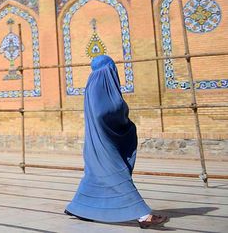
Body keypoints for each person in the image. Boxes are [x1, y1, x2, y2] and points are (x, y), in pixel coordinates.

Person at [65, 55, 168, 228]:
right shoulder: (101, 85)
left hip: (95, 140)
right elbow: (103, 112)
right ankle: (143, 216)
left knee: (95, 174)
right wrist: (122, 114)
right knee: (117, 175)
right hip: (105, 142)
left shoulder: (92, 83)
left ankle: (79, 207)